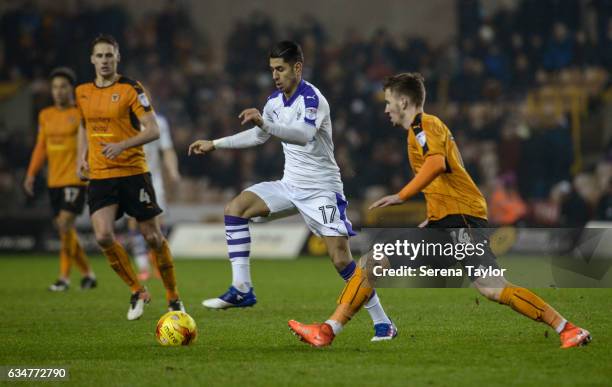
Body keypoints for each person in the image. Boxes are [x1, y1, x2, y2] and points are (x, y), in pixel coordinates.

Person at [289, 72, 592, 349]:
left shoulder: (424, 124)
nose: (385, 110)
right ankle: (327, 330)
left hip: (462, 221)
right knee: (374, 260)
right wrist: (432, 217)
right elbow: (447, 175)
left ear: (404, 101)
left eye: (389, 102)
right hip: (446, 222)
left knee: (492, 288)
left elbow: (438, 164)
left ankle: (567, 328)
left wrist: (402, 195)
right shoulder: (422, 131)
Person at [189, 41, 397, 341]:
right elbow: (259, 136)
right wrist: (216, 143)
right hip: (289, 186)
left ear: (297, 68)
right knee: (235, 208)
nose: (275, 75)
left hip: (322, 190)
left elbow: (303, 134)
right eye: (272, 69)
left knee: (340, 259)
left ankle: (383, 322)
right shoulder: (274, 101)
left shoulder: (313, 99)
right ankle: (242, 289)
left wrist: (265, 125)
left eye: (281, 69)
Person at [76, 34, 184, 320]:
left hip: (133, 173)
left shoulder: (131, 89)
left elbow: (153, 130)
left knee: (153, 237)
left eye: (109, 55)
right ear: (92, 59)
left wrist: (122, 145)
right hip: (100, 175)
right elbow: (83, 126)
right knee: (102, 235)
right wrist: (81, 157)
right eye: (99, 56)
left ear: (117, 57)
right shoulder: (82, 92)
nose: (104, 61)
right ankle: (137, 289)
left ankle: (173, 296)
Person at [24, 67, 97, 292]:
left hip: (75, 179)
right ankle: (88, 274)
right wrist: (31, 173)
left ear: (71, 89)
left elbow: (90, 145)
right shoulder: (45, 115)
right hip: (53, 181)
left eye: (63, 86)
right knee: (65, 230)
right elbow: (41, 147)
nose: (59, 91)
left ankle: (63, 278)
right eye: (55, 87)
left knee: (65, 224)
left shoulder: (80, 114)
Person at [127, 113, 180, 281]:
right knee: (134, 221)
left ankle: (158, 262)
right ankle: (143, 266)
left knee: (158, 220)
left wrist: (173, 170)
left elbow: (167, 149)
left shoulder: (159, 121)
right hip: (129, 177)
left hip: (153, 179)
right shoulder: (123, 118)